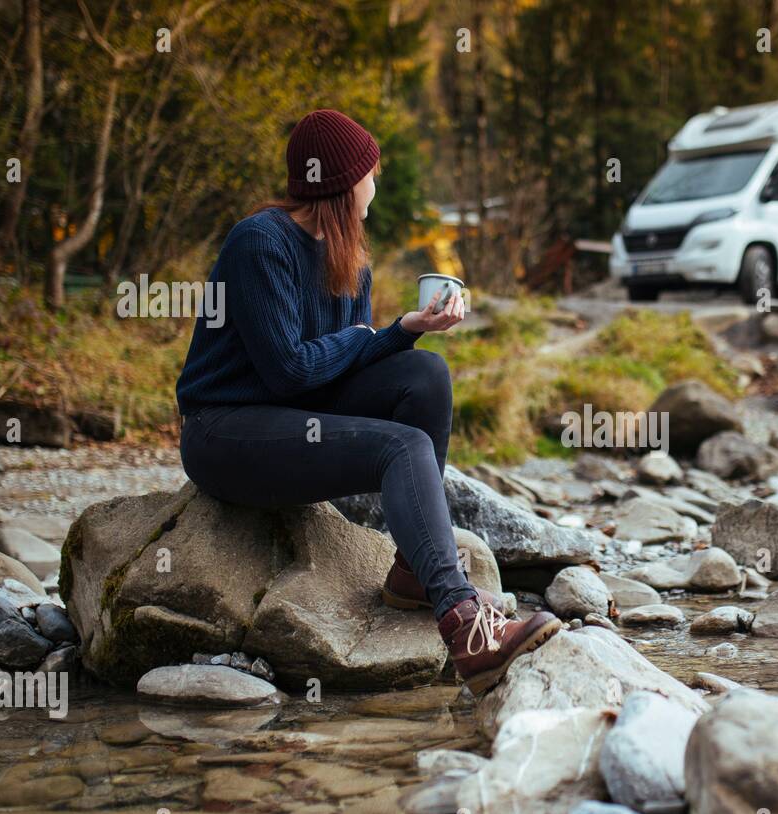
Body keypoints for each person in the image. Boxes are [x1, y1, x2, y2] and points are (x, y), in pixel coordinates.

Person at [175, 109, 559, 695]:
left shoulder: (350, 260)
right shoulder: (259, 243)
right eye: (370, 175)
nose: (374, 187)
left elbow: (342, 369)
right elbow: (288, 371)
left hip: (294, 417)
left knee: (425, 374)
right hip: (225, 431)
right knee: (400, 446)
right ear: (342, 183)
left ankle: (413, 572)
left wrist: (409, 329)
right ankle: (464, 627)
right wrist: (367, 337)